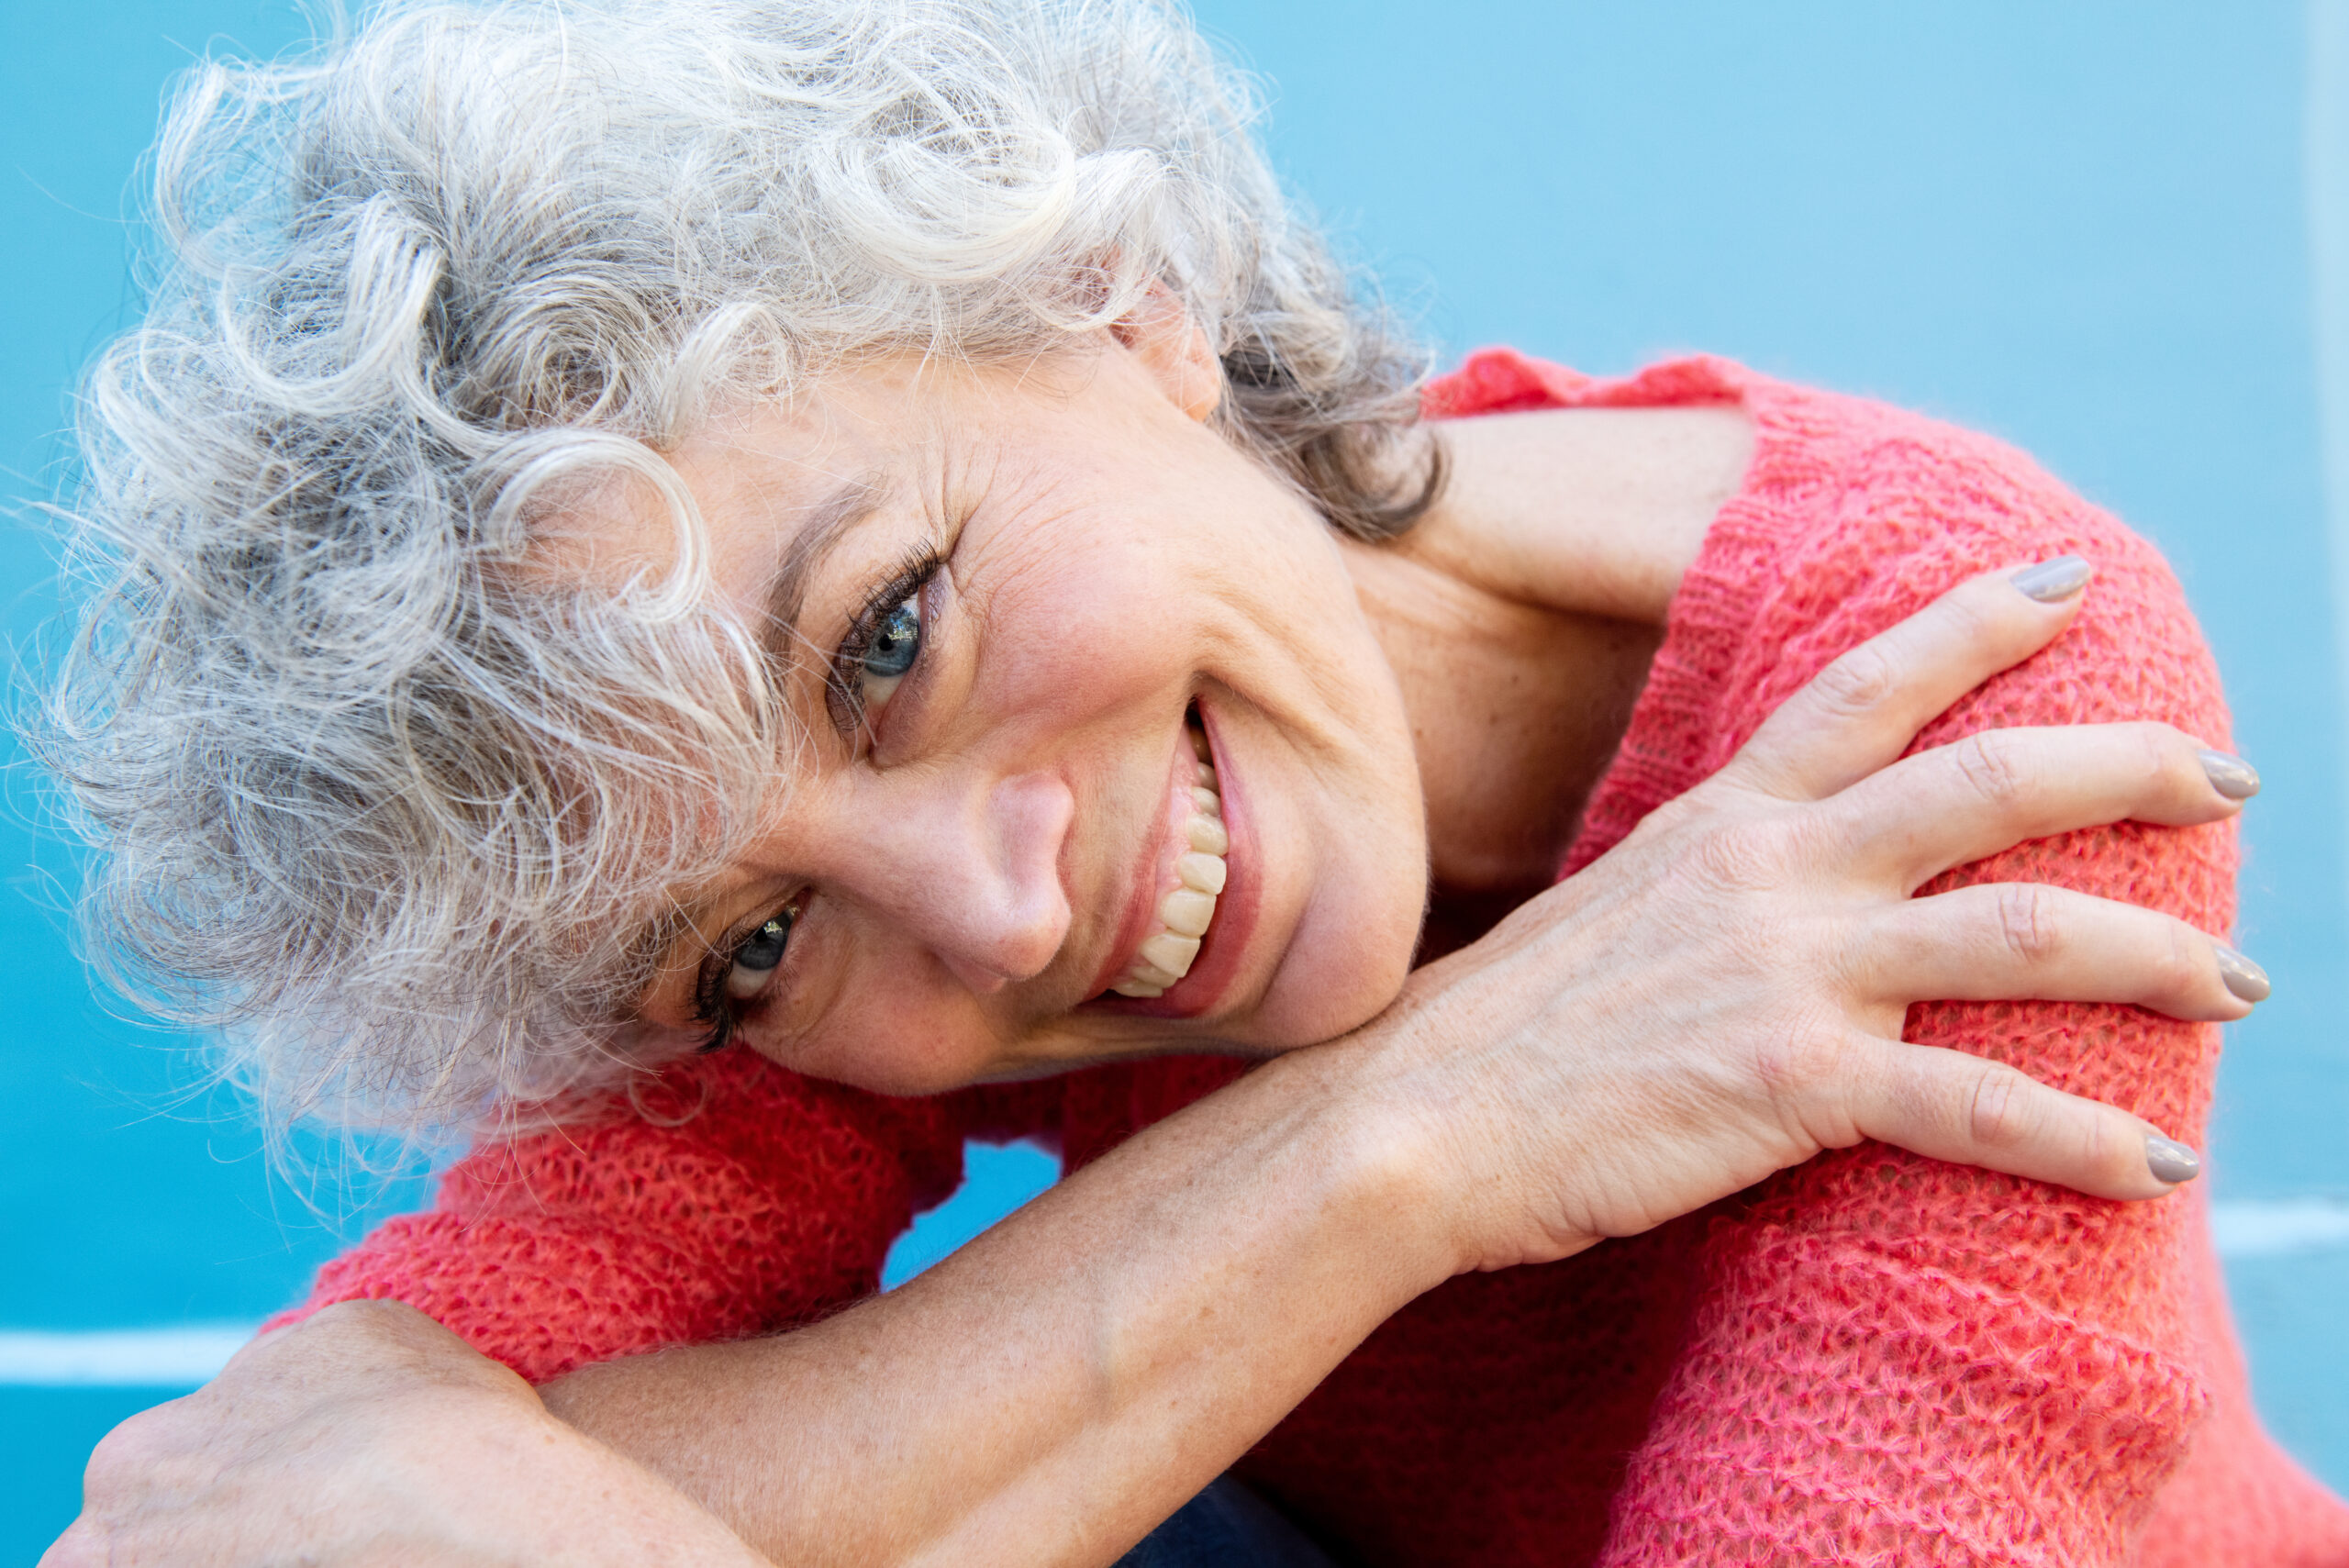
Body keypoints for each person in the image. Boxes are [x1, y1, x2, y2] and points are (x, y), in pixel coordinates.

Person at [35, 1, 2349, 1564]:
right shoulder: (813, 863)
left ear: (1113, 297)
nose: (995, 915)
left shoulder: (1965, 679)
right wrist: (1417, 1130)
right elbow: (326, 1467)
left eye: (890, 636)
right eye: (749, 949)